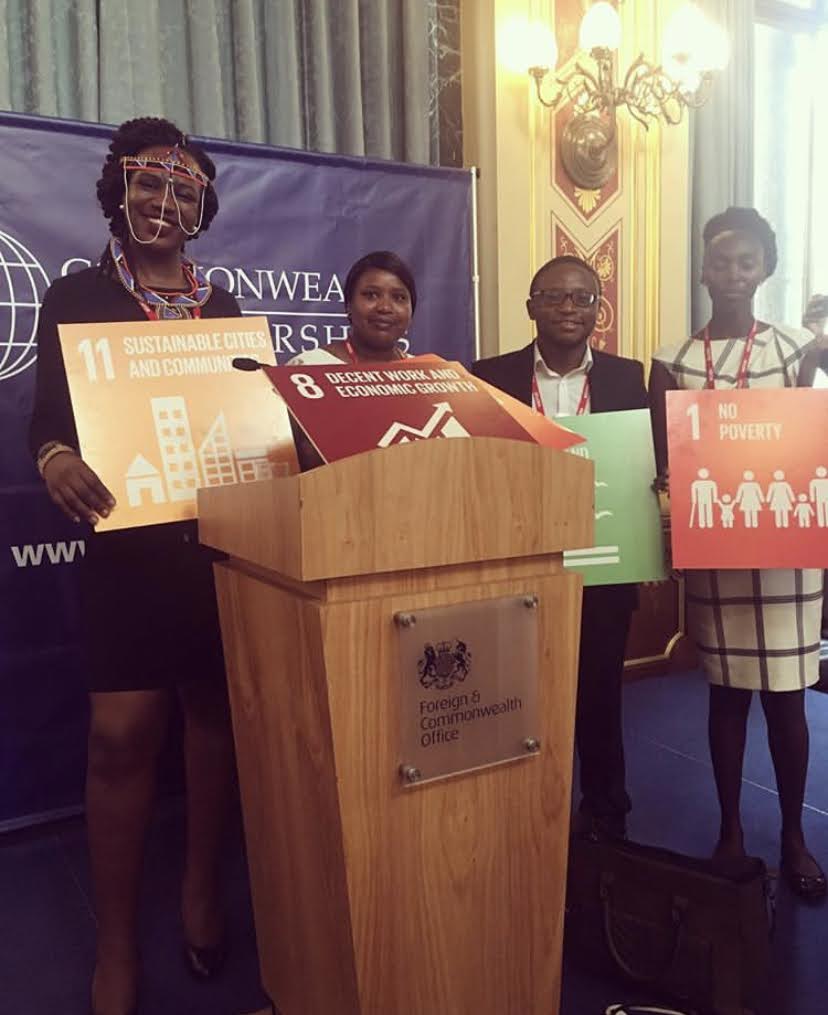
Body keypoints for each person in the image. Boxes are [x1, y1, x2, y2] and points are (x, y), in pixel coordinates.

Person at [29, 117, 240, 1015]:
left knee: (211, 720)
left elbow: (245, 422)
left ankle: (199, 887)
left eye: (183, 189)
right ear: (118, 190)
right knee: (120, 739)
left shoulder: (223, 309)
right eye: (150, 185)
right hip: (126, 547)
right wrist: (54, 461)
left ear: (203, 206)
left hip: (218, 548)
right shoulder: (74, 298)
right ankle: (115, 943)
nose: (165, 202)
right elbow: (47, 421)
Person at [649, 206, 826, 900]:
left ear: (766, 269)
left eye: (745, 261)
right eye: (720, 260)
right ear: (702, 268)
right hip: (718, 551)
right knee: (725, 694)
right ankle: (729, 829)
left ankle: (794, 834)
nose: (731, 273)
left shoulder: (793, 351)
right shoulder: (676, 361)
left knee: (787, 701)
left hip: (786, 555)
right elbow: (666, 461)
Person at [473, 254, 648, 841]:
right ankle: (524, 813)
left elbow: (644, 468)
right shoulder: (488, 376)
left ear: (599, 309)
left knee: (599, 694)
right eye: (554, 296)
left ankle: (606, 811)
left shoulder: (628, 378)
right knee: (519, 697)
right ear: (531, 307)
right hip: (521, 561)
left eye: (582, 298)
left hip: (603, 559)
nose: (569, 308)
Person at [287, 250, 417, 468]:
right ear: (348, 306)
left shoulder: (428, 373)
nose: (385, 307)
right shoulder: (307, 369)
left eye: (399, 298)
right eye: (371, 295)